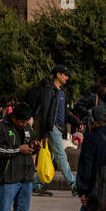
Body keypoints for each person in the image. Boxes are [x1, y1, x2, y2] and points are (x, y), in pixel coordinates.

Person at [29, 65, 77, 195]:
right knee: (61, 156)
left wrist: (75, 121)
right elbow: (45, 113)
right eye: (65, 75)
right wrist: (45, 132)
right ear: (58, 75)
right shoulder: (49, 90)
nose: (67, 77)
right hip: (52, 127)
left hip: (59, 128)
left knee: (50, 157)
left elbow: (65, 112)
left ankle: (37, 185)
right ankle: (74, 184)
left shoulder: (61, 91)